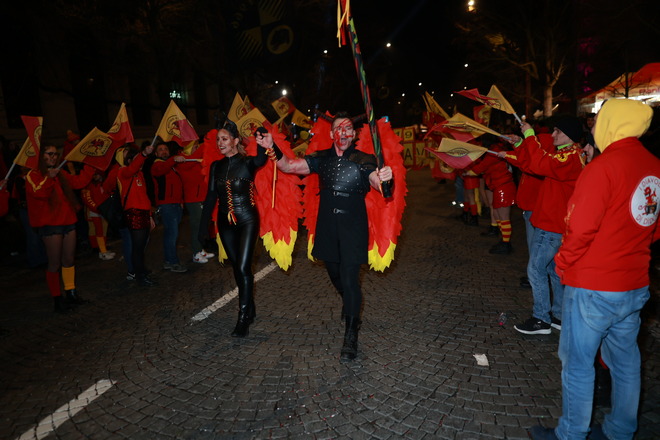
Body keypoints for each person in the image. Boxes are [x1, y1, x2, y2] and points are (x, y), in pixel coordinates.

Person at [529, 100, 659, 439]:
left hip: (593, 284)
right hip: (633, 283)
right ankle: (620, 430)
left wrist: (562, 264)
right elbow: (653, 227)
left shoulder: (602, 167)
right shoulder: (654, 166)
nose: (594, 127)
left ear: (613, 124)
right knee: (626, 364)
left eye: (599, 120)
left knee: (578, 364)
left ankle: (571, 434)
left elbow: (579, 228)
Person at [257, 112, 393, 361]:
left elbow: (377, 183)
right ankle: (348, 301)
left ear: (353, 134)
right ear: (331, 134)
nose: (343, 132)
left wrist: (385, 178)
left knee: (350, 279)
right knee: (334, 273)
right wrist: (271, 147)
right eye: (339, 128)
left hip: (353, 227)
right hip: (328, 226)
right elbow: (288, 166)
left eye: (348, 128)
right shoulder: (321, 158)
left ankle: (351, 334)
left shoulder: (365, 159)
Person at [500, 115, 586, 335]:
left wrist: (529, 135)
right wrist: (519, 145)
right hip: (553, 223)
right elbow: (532, 165)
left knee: (536, 269)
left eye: (558, 131)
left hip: (552, 225)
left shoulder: (569, 157)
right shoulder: (567, 154)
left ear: (570, 135)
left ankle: (541, 319)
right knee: (552, 271)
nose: (553, 135)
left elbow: (538, 163)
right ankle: (558, 315)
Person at [198, 120, 269, 338]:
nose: (220, 143)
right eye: (218, 139)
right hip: (225, 223)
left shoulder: (248, 163)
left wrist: (262, 136)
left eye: (224, 139)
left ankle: (243, 317)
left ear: (235, 141)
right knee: (237, 267)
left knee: (244, 267)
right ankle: (251, 306)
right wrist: (203, 227)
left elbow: (262, 159)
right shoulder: (216, 166)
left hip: (247, 219)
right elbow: (211, 196)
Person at [24, 145, 95, 313]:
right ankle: (57, 299)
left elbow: (79, 182)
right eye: (50, 154)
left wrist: (91, 164)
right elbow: (39, 193)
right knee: (54, 263)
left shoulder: (60, 173)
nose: (54, 157)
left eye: (56, 154)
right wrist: (49, 177)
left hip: (68, 221)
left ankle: (71, 293)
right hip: (50, 224)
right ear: (41, 156)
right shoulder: (33, 174)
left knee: (69, 260)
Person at [118, 143, 157, 287]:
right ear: (129, 161)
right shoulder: (123, 172)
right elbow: (131, 169)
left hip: (143, 213)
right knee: (138, 247)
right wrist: (144, 154)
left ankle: (141, 270)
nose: (140, 162)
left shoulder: (140, 174)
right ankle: (140, 276)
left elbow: (145, 198)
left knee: (141, 246)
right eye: (135, 159)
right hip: (134, 213)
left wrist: (150, 215)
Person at [151, 141, 187, 273]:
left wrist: (181, 201)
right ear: (156, 154)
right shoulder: (157, 165)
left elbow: (178, 185)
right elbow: (161, 170)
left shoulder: (171, 166)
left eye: (165, 149)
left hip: (175, 204)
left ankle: (168, 261)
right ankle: (173, 262)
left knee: (170, 234)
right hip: (167, 205)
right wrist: (173, 159)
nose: (164, 151)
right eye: (160, 149)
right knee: (172, 234)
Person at [177, 140, 215, 263]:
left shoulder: (193, 160)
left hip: (201, 198)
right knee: (196, 227)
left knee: (202, 225)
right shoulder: (183, 160)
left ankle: (200, 249)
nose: (197, 148)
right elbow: (193, 159)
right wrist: (207, 143)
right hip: (193, 199)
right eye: (195, 146)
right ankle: (196, 254)